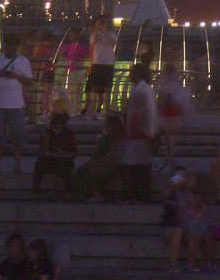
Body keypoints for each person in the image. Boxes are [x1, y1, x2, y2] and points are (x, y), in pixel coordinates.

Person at [0, 33, 34, 176]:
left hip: (16, 103)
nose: (9, 50)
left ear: (16, 47)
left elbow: (30, 81)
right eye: (8, 47)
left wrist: (16, 76)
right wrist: (1, 73)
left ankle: (17, 166)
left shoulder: (23, 61)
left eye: (12, 47)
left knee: (18, 136)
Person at [71, 113, 127, 203]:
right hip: (101, 163)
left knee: (90, 172)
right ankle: (94, 193)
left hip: (111, 165)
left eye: (107, 124)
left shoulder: (117, 139)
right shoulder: (104, 138)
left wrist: (96, 163)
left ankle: (97, 194)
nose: (104, 125)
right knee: (81, 171)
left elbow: (113, 155)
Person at [121, 63, 156, 201]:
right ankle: (139, 194)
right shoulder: (143, 89)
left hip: (140, 132)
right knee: (139, 165)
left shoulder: (143, 90)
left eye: (132, 73)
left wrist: (149, 130)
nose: (130, 75)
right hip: (138, 131)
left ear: (138, 74)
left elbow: (149, 111)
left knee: (140, 166)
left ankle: (140, 194)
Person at [33, 111, 79, 196]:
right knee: (39, 164)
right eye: (54, 128)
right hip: (50, 160)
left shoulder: (69, 135)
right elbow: (40, 153)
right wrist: (46, 143)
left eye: (58, 128)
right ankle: (35, 191)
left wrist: (65, 153)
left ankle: (68, 191)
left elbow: (74, 153)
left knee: (64, 165)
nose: (56, 131)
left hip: (64, 161)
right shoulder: (47, 134)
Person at [82, 16, 116, 116]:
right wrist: (97, 30)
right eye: (100, 23)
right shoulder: (94, 35)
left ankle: (106, 110)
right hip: (97, 64)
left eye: (103, 23)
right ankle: (92, 110)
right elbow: (93, 42)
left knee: (107, 88)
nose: (102, 25)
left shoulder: (111, 34)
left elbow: (113, 43)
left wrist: (105, 32)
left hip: (108, 64)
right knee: (95, 88)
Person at [156, 65, 190, 165]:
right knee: (171, 137)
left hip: (168, 112)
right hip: (174, 112)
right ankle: (170, 156)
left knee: (169, 136)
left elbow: (162, 99)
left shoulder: (165, 86)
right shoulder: (177, 86)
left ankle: (169, 156)